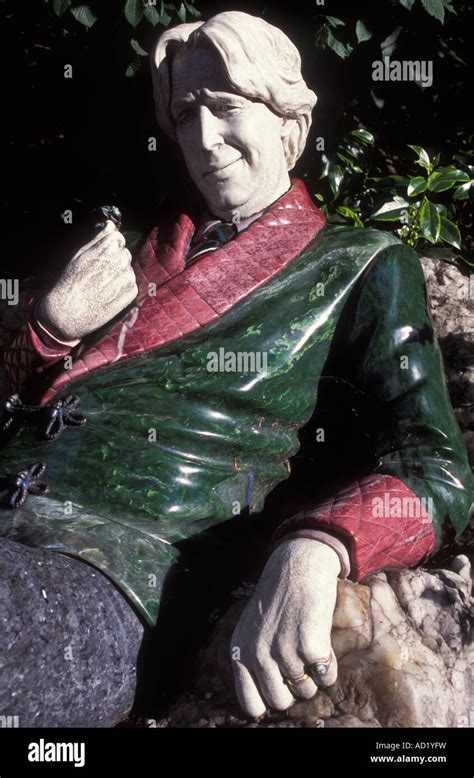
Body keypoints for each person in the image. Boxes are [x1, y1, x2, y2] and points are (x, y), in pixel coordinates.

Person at [0, 11, 472, 725]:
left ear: (290, 122)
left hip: (115, 575)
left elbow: (435, 468)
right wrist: (46, 328)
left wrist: (321, 544)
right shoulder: (121, 250)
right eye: (186, 114)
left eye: (226, 108)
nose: (202, 139)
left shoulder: (358, 264)